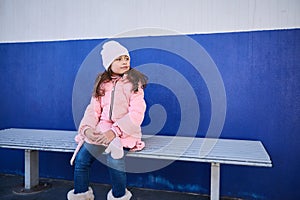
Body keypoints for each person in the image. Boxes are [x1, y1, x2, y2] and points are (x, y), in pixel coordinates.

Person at [67, 40, 148, 200]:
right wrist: (88, 129)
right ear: (109, 63)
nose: (124, 62)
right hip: (102, 130)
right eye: (119, 59)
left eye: (126, 58)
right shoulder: (102, 83)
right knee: (82, 159)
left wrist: (115, 131)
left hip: (125, 131)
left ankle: (119, 195)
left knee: (115, 159)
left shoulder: (133, 83)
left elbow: (137, 113)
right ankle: (81, 194)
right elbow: (93, 109)